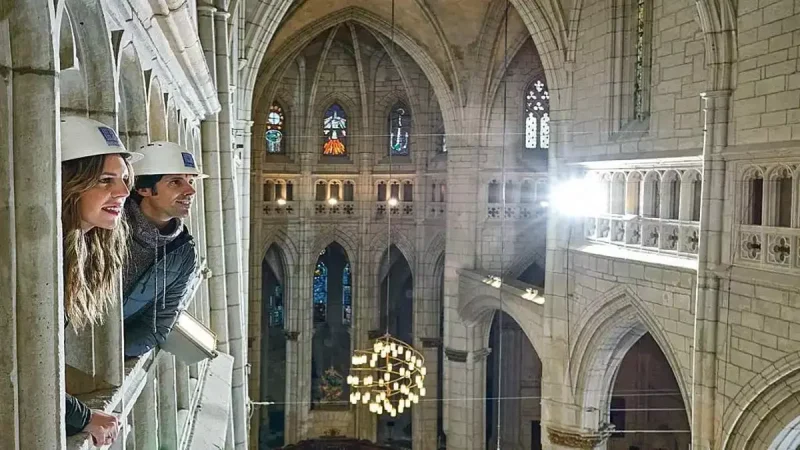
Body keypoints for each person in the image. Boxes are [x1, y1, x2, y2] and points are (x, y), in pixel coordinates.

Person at [60, 115, 143, 445]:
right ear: (68, 183)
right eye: (105, 180)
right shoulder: (40, 254)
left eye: (123, 179)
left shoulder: (80, 247)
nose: (123, 191)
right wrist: (82, 416)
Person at [122, 141, 206, 357]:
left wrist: (110, 354)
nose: (191, 191)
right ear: (144, 188)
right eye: (176, 182)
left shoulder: (185, 255)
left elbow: (157, 327)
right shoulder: (106, 226)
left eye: (190, 181)